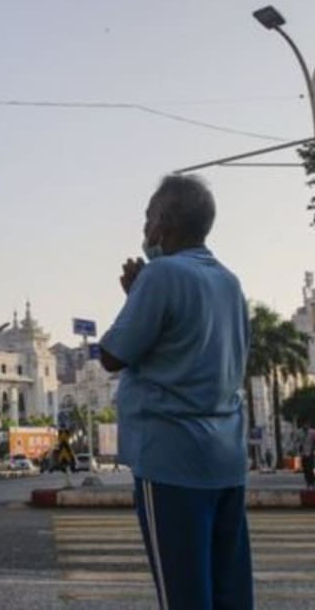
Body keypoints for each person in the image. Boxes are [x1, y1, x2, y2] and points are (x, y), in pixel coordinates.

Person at [99, 175, 252, 610]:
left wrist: (134, 294)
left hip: (173, 461)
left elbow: (114, 353)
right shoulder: (230, 283)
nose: (145, 230)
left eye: (148, 218)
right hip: (227, 461)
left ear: (163, 223)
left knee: (184, 596)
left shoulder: (161, 275)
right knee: (229, 592)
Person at [300, 421, 315, 490]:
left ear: (308, 425)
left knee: (310, 469)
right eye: (303, 425)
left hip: (310, 453)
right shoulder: (300, 433)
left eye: (306, 425)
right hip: (303, 454)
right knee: (305, 469)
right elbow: (299, 442)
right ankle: (308, 483)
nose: (304, 426)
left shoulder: (312, 432)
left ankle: (311, 483)